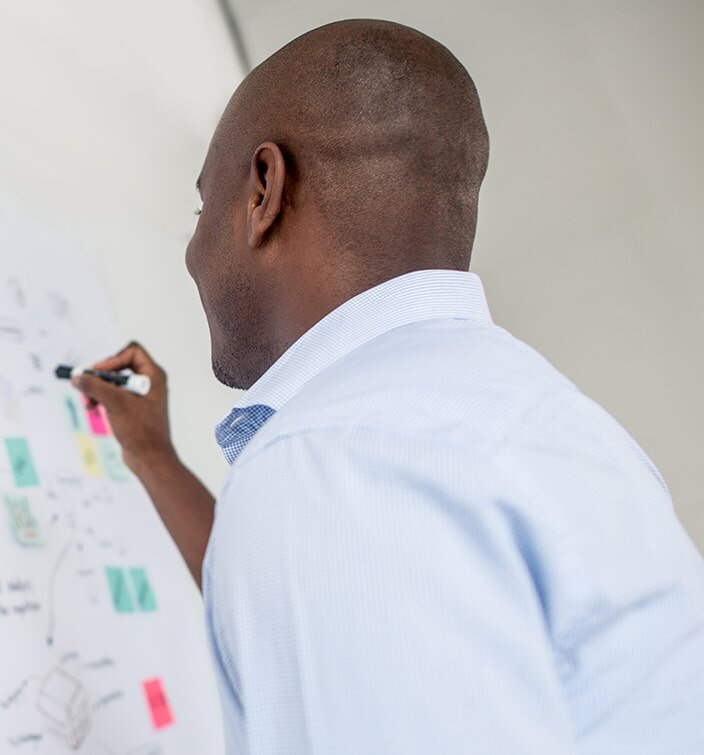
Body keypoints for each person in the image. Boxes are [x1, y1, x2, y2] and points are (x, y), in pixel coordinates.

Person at [73, 19, 704, 754]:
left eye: (199, 208)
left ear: (264, 191)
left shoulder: (329, 466)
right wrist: (155, 457)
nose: (190, 248)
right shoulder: (531, 416)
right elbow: (307, 609)